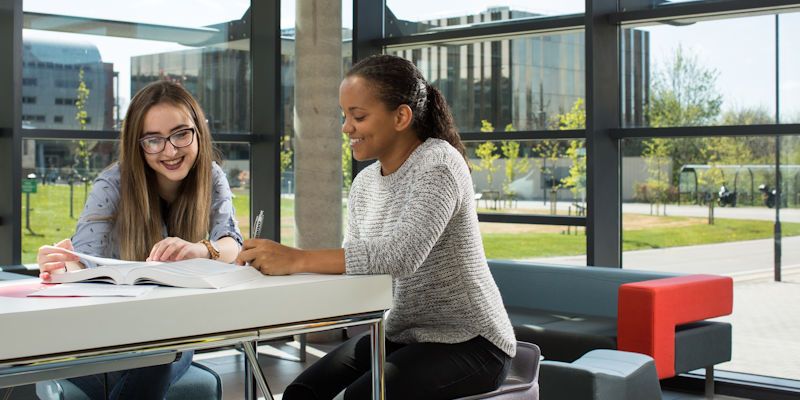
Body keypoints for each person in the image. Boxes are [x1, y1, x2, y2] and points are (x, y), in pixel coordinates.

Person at [236, 54, 516, 399]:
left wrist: (296, 258)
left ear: (401, 116)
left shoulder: (439, 164)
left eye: (358, 116)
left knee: (362, 397)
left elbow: (400, 256)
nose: (345, 127)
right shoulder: (365, 183)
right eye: (344, 116)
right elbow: (356, 263)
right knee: (302, 392)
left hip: (470, 341)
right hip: (401, 334)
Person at [36, 80, 244, 400]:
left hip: (173, 328)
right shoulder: (112, 184)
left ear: (198, 132)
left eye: (181, 133)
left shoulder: (212, 176)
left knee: (160, 353)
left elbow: (232, 244)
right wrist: (62, 263)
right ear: (138, 144)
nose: (170, 150)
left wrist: (200, 249)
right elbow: (83, 260)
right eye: (153, 140)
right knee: (158, 359)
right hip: (104, 331)